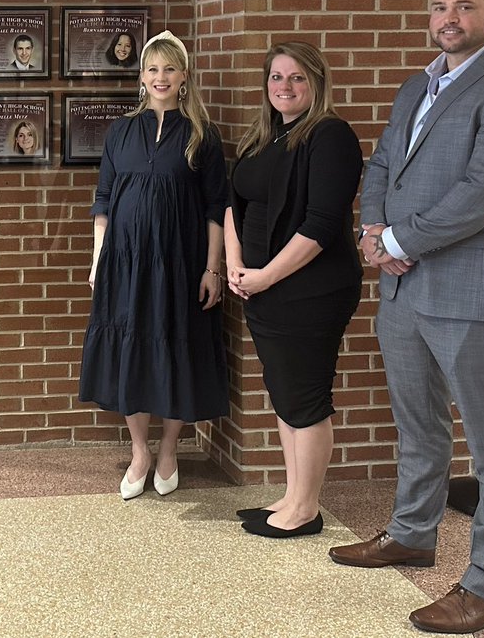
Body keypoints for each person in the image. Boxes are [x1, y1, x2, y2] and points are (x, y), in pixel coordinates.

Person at [327, 0, 484, 635]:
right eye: (439, 7)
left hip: (472, 291)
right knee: (419, 423)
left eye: (464, 6)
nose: (449, 17)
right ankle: (411, 531)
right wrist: (375, 233)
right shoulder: (417, 85)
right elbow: (381, 167)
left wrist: (400, 236)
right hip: (402, 286)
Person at [79, 30, 228, 501]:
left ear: (183, 76)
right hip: (125, 262)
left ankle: (169, 449)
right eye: (152, 68)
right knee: (131, 348)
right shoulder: (121, 130)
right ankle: (139, 450)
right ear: (141, 76)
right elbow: (103, 200)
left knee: (176, 346)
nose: (160, 77)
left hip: (180, 262)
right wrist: (98, 260)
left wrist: (212, 269)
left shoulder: (201, 134)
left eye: (169, 68)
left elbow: (215, 209)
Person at [224, 41, 363, 539]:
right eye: (277, 78)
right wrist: (236, 264)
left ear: (317, 84)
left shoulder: (330, 137)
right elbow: (234, 205)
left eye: (298, 78)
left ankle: (306, 508)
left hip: (310, 290)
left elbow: (322, 225)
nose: (285, 87)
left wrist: (265, 276)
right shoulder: (264, 137)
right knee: (285, 393)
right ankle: (292, 493)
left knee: (305, 397)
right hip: (261, 287)